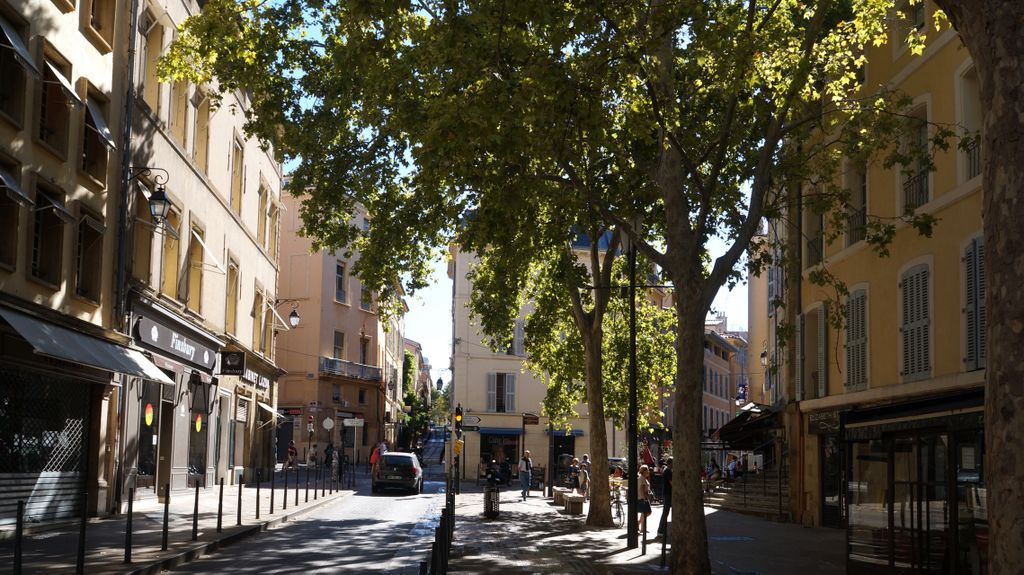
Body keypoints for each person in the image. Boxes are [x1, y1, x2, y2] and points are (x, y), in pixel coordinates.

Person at [657, 457, 672, 538]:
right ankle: (661, 530)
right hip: (668, 494)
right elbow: (672, 483)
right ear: (671, 463)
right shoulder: (668, 471)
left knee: (665, 512)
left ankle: (662, 530)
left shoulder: (666, 470)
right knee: (665, 512)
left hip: (666, 494)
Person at [638, 465, 653, 538]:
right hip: (643, 498)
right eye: (646, 470)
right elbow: (642, 488)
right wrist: (645, 497)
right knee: (648, 512)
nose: (648, 471)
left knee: (644, 513)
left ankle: (642, 528)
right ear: (643, 471)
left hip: (643, 497)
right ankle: (639, 526)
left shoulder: (643, 478)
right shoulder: (642, 479)